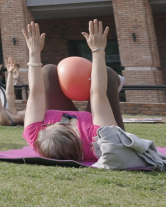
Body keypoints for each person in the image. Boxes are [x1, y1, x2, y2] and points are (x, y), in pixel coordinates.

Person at [23, 20, 125, 161]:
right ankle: (116, 83)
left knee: (47, 72)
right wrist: (98, 50)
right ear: (72, 134)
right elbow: (97, 92)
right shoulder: (101, 138)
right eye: (58, 126)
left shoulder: (36, 136)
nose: (55, 123)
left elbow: (36, 92)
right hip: (101, 126)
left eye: (47, 126)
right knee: (107, 75)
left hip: (79, 129)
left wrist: (33, 51)